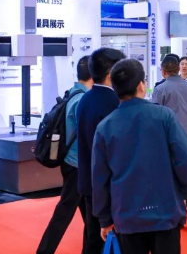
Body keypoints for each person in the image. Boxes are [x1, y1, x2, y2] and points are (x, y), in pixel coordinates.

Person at [92, 59, 187, 254]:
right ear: (141, 85)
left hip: (126, 215)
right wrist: (183, 192)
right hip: (165, 210)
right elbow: (185, 157)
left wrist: (104, 218)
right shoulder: (164, 116)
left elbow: (99, 177)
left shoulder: (105, 127)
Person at [37, 56, 94, 254]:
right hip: (77, 164)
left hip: (73, 161)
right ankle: (44, 250)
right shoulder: (83, 99)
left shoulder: (73, 93)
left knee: (89, 213)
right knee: (65, 211)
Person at [77, 48, 126, 254]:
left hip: (88, 182)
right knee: (109, 241)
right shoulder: (114, 103)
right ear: (110, 74)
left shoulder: (86, 98)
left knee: (93, 237)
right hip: (109, 187)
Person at [153, 55, 187, 225]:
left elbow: (155, 116)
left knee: (169, 179)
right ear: (178, 68)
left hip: (169, 140)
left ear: (163, 71)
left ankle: (174, 215)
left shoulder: (160, 89)